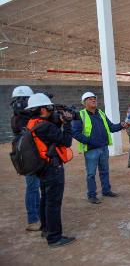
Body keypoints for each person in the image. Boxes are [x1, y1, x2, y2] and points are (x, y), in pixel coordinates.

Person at [25, 93, 75, 247]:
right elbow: (66, 141)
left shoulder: (32, 123)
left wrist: (58, 123)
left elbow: (48, 140)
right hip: (52, 168)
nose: (51, 109)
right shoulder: (45, 126)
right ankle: (54, 238)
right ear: (42, 109)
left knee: (45, 199)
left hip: (42, 167)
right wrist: (67, 123)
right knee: (53, 203)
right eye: (48, 107)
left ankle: (46, 229)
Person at [72, 92, 127, 204]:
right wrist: (89, 141)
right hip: (91, 150)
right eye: (90, 99)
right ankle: (92, 195)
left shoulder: (101, 113)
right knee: (91, 173)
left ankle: (106, 190)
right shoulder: (80, 115)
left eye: (94, 99)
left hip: (103, 148)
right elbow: (75, 133)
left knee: (104, 171)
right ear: (84, 102)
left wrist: (121, 125)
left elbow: (111, 127)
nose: (93, 100)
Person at [10, 86, 41, 232]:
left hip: (34, 155)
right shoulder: (19, 119)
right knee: (33, 187)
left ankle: (38, 215)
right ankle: (33, 219)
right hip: (28, 157)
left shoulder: (23, 117)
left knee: (36, 187)